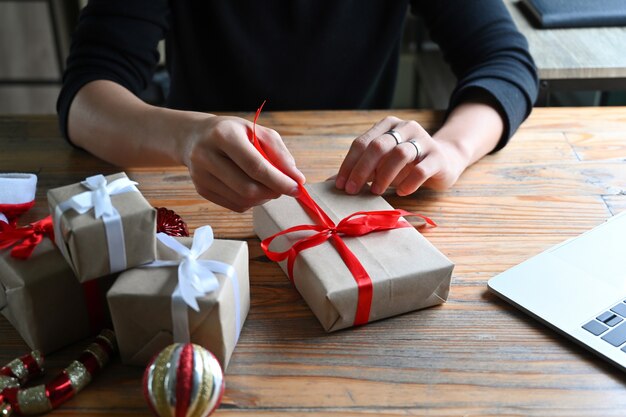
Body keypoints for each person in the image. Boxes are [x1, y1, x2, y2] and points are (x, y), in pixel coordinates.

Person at [58, 0, 538, 213]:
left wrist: (451, 150)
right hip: (195, 199)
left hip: (369, 192)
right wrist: (186, 137)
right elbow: (85, 99)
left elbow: (504, 61)